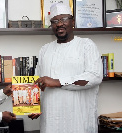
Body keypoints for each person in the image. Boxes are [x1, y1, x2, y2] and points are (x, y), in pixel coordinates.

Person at [28, 3, 103, 133]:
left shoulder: (86, 45)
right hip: (50, 121)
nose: (59, 24)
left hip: (78, 120)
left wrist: (58, 82)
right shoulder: (45, 49)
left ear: (72, 22)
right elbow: (38, 82)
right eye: (55, 21)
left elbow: (94, 77)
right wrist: (35, 106)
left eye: (63, 19)